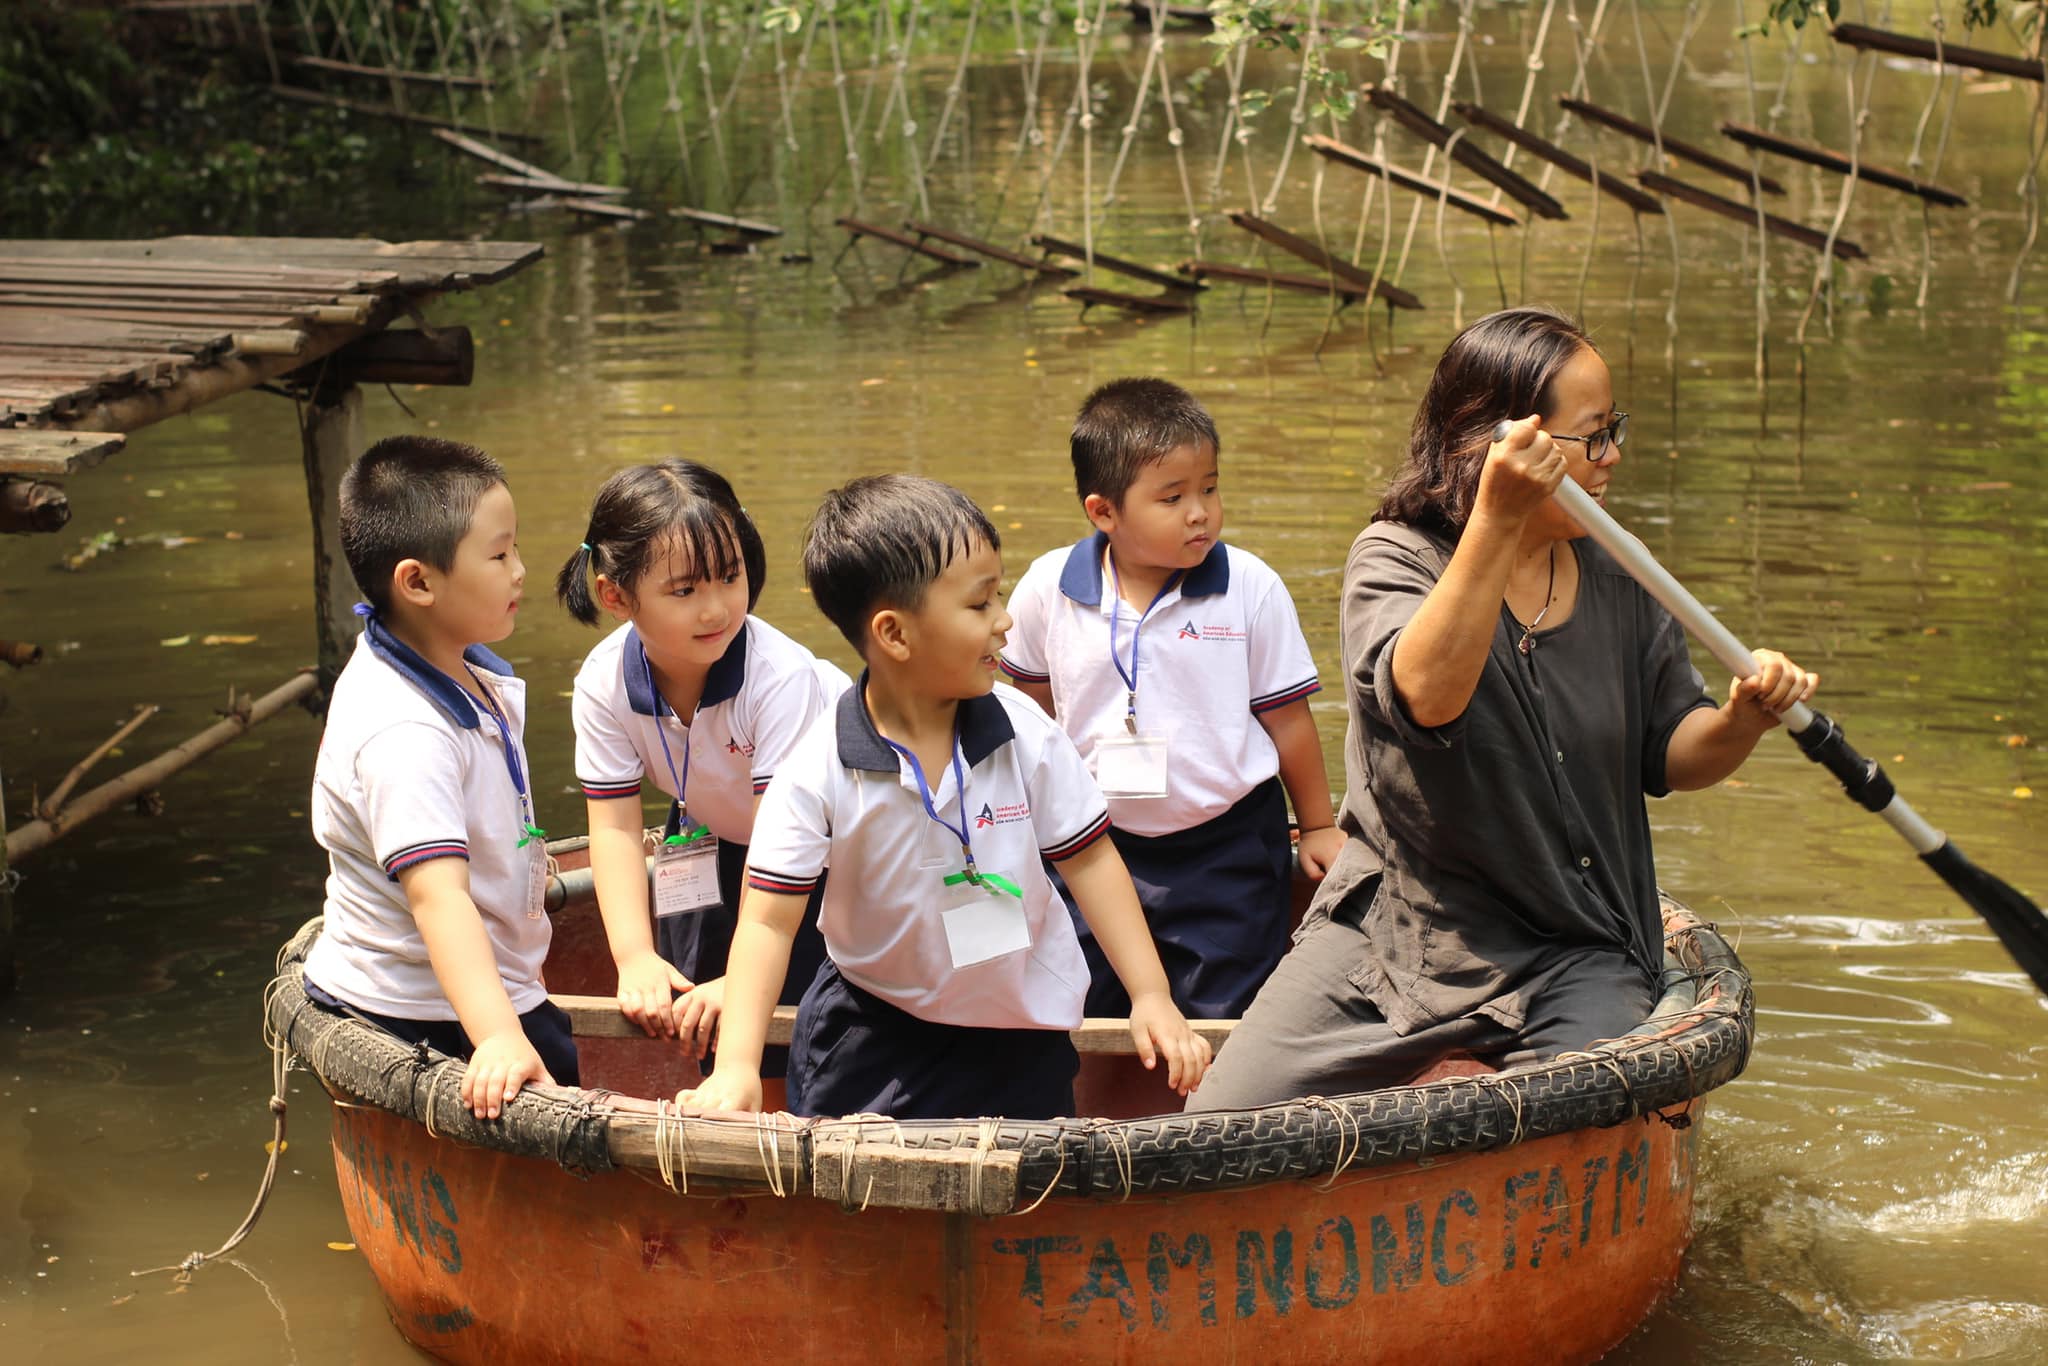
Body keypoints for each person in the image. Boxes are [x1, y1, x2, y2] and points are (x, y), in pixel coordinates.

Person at [1189, 306, 1819, 1110]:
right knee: (1219, 1121)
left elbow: (1671, 752)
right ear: (1504, 445)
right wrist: (1497, 516)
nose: (1611, 456)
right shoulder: (1395, 558)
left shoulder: (1621, 573)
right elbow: (1425, 700)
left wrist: (1741, 719)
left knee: (1585, 1115)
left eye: (1613, 428)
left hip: (1574, 938)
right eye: (1593, 435)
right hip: (1399, 927)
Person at [677, 475, 1211, 1120]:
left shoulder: (1025, 733)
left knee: (1025, 1197)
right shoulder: (818, 768)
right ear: (895, 635)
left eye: (1000, 596)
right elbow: (766, 922)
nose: (1005, 622)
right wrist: (736, 1066)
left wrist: (1151, 994)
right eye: (980, 604)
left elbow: (1091, 860)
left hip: (1019, 1032)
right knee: (858, 1202)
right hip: (872, 1030)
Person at [1000, 378, 1342, 1019]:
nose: (1200, 512)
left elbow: (1288, 721)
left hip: (1227, 840)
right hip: (1092, 839)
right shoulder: (1050, 587)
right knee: (1081, 996)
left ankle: (1222, 1117)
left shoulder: (1249, 586)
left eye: (1209, 488)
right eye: (1173, 497)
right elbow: (1031, 707)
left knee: (1228, 1006)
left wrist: (1318, 825)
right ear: (1103, 512)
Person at [302, 436, 577, 1122]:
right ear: (418, 583)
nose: (520, 571)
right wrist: (499, 1040)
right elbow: (439, 902)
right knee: (555, 1096)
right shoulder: (405, 731)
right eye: (499, 554)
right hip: (425, 1011)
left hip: (478, 982)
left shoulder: (454, 662)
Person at [557, 460, 849, 1060]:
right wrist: (633, 956)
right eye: (685, 591)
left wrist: (743, 979)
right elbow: (613, 827)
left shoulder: (779, 678)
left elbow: (783, 850)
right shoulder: (603, 682)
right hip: (712, 836)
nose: (716, 610)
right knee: (694, 1006)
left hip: (825, 853)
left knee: (798, 1024)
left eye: (730, 577)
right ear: (616, 596)